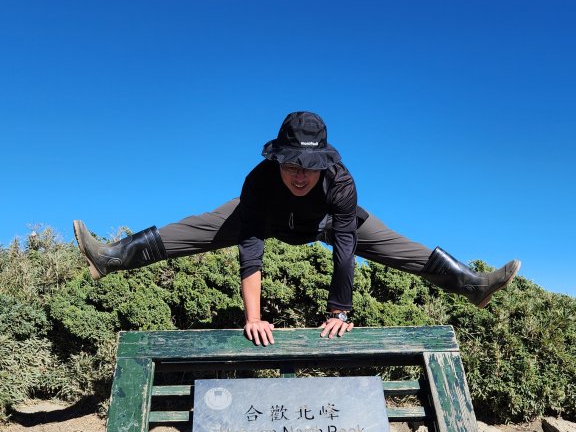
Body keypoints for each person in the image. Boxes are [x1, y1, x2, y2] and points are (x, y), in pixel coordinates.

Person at [73, 111, 521, 346]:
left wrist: (339, 310)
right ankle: (110, 258)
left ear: (324, 162)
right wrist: (253, 317)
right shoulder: (259, 182)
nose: (301, 175)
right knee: (200, 226)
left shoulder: (341, 182)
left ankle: (471, 284)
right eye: (292, 165)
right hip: (267, 217)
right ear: (278, 158)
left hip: (326, 222)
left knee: (390, 242)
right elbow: (250, 249)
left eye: (309, 167)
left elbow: (345, 249)